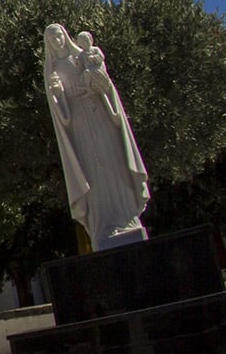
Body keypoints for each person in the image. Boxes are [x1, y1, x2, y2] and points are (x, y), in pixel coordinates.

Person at [43, 24, 150, 250]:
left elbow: (105, 85)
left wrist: (98, 78)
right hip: (80, 125)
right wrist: (58, 93)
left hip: (100, 115)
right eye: (51, 37)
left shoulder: (83, 56)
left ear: (65, 35)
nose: (56, 39)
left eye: (58, 34)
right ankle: (103, 225)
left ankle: (126, 218)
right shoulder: (52, 69)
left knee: (114, 162)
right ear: (48, 43)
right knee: (92, 173)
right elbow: (61, 114)